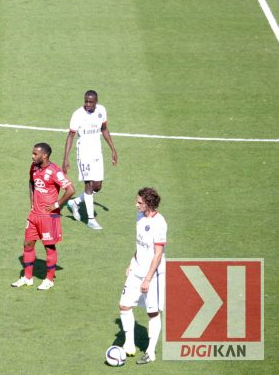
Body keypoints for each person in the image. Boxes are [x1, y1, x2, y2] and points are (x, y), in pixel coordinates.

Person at [11, 143, 75, 291]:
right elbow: (31, 183)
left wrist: (57, 205)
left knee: (49, 247)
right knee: (27, 244)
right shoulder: (33, 167)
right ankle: (27, 278)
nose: (32, 156)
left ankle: (49, 279)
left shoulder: (55, 171)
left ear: (44, 155)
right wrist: (32, 202)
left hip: (49, 216)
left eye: (35, 154)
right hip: (34, 215)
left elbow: (70, 190)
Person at [119, 187, 167, 365]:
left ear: (149, 203)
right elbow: (140, 245)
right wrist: (132, 261)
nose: (136, 205)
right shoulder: (139, 217)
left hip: (152, 275)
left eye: (139, 202)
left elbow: (158, 253)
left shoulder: (159, 223)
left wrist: (147, 279)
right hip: (136, 270)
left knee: (153, 312)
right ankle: (129, 344)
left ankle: (150, 352)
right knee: (124, 306)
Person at [62, 89, 118, 230]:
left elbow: (104, 129)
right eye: (86, 101)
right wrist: (66, 158)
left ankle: (75, 203)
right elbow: (70, 136)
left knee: (97, 186)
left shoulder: (101, 111)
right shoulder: (77, 115)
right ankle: (91, 219)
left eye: (90, 102)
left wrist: (113, 149)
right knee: (88, 184)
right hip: (84, 153)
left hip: (97, 153)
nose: (87, 104)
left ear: (96, 102)